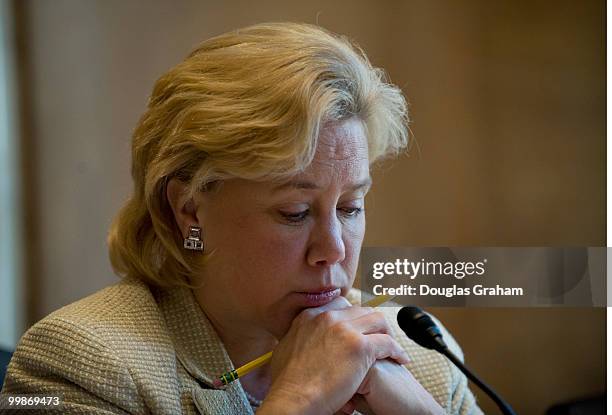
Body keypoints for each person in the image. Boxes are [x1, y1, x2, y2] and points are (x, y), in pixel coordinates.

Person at [1, 22, 482, 414]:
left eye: (350, 207)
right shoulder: (81, 364)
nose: (334, 249)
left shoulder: (423, 355)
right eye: (294, 212)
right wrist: (299, 402)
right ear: (189, 209)